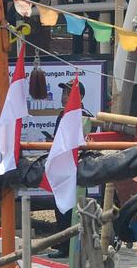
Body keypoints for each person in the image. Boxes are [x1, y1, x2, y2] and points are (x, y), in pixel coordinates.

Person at [47, 79, 91, 259]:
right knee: (61, 209)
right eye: (63, 94)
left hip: (77, 171)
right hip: (62, 171)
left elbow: (86, 143)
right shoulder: (61, 116)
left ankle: (81, 246)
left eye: (68, 93)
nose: (64, 97)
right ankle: (64, 246)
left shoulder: (85, 117)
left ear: (79, 96)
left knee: (77, 210)